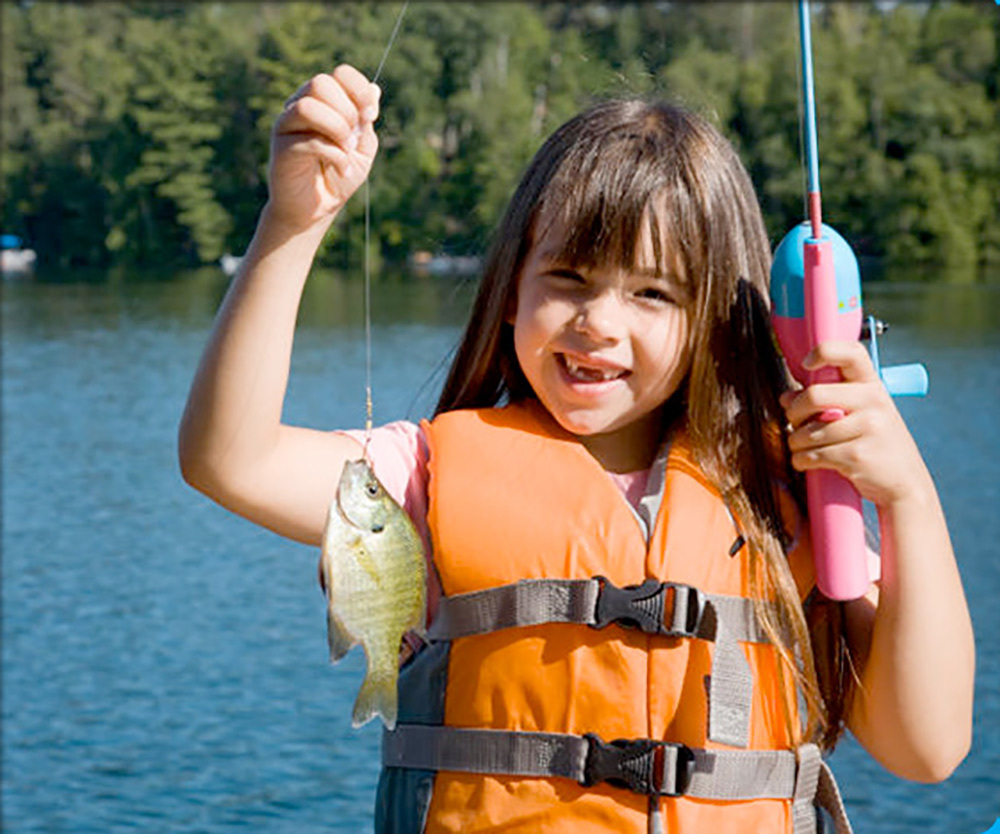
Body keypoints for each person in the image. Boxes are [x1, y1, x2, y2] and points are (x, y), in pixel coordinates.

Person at [178, 65, 974, 834]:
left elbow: (926, 748)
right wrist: (292, 222)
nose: (599, 322)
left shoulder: (784, 499)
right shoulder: (416, 477)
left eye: (652, 293)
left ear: (715, 317)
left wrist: (908, 497)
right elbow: (230, 460)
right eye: (567, 277)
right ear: (513, 284)